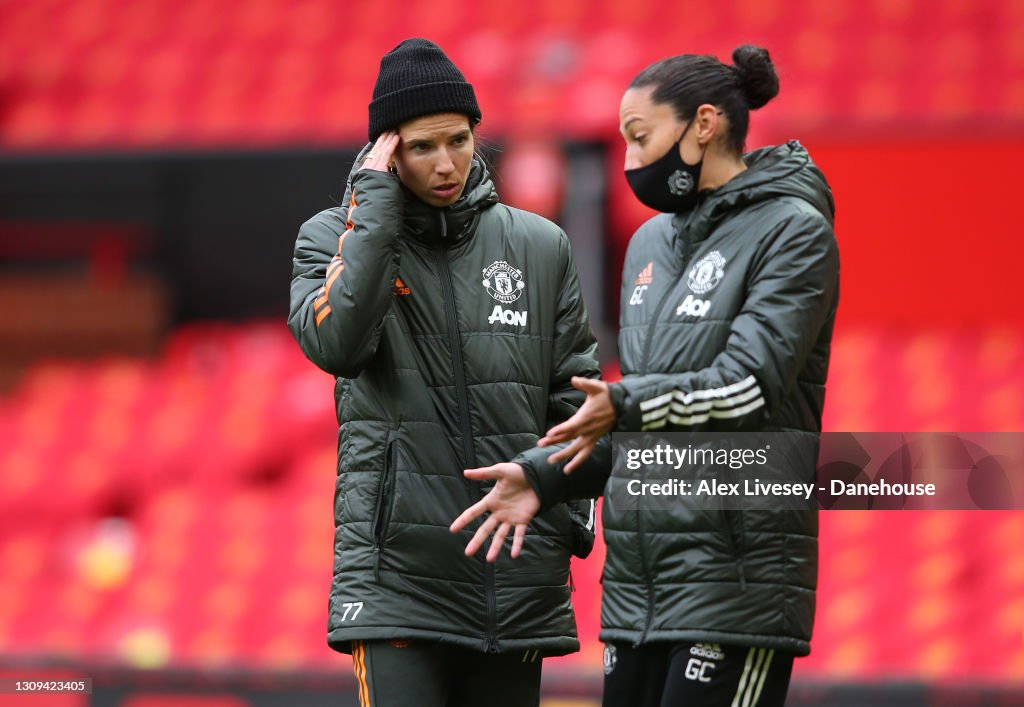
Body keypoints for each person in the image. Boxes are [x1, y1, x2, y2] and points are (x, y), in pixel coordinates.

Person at [452, 45, 840, 707]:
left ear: (705, 125)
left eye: (640, 137)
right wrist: (545, 474)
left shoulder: (793, 230)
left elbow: (747, 385)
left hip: (733, 585)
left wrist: (626, 402)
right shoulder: (649, 244)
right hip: (637, 591)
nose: (630, 162)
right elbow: (640, 423)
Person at [288, 38, 600, 707]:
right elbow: (337, 342)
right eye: (422, 147)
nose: (446, 162)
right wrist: (373, 213)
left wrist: (563, 521)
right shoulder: (329, 238)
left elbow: (576, 402)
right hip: (396, 585)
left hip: (513, 581)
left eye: (459, 140)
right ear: (386, 151)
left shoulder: (541, 246)